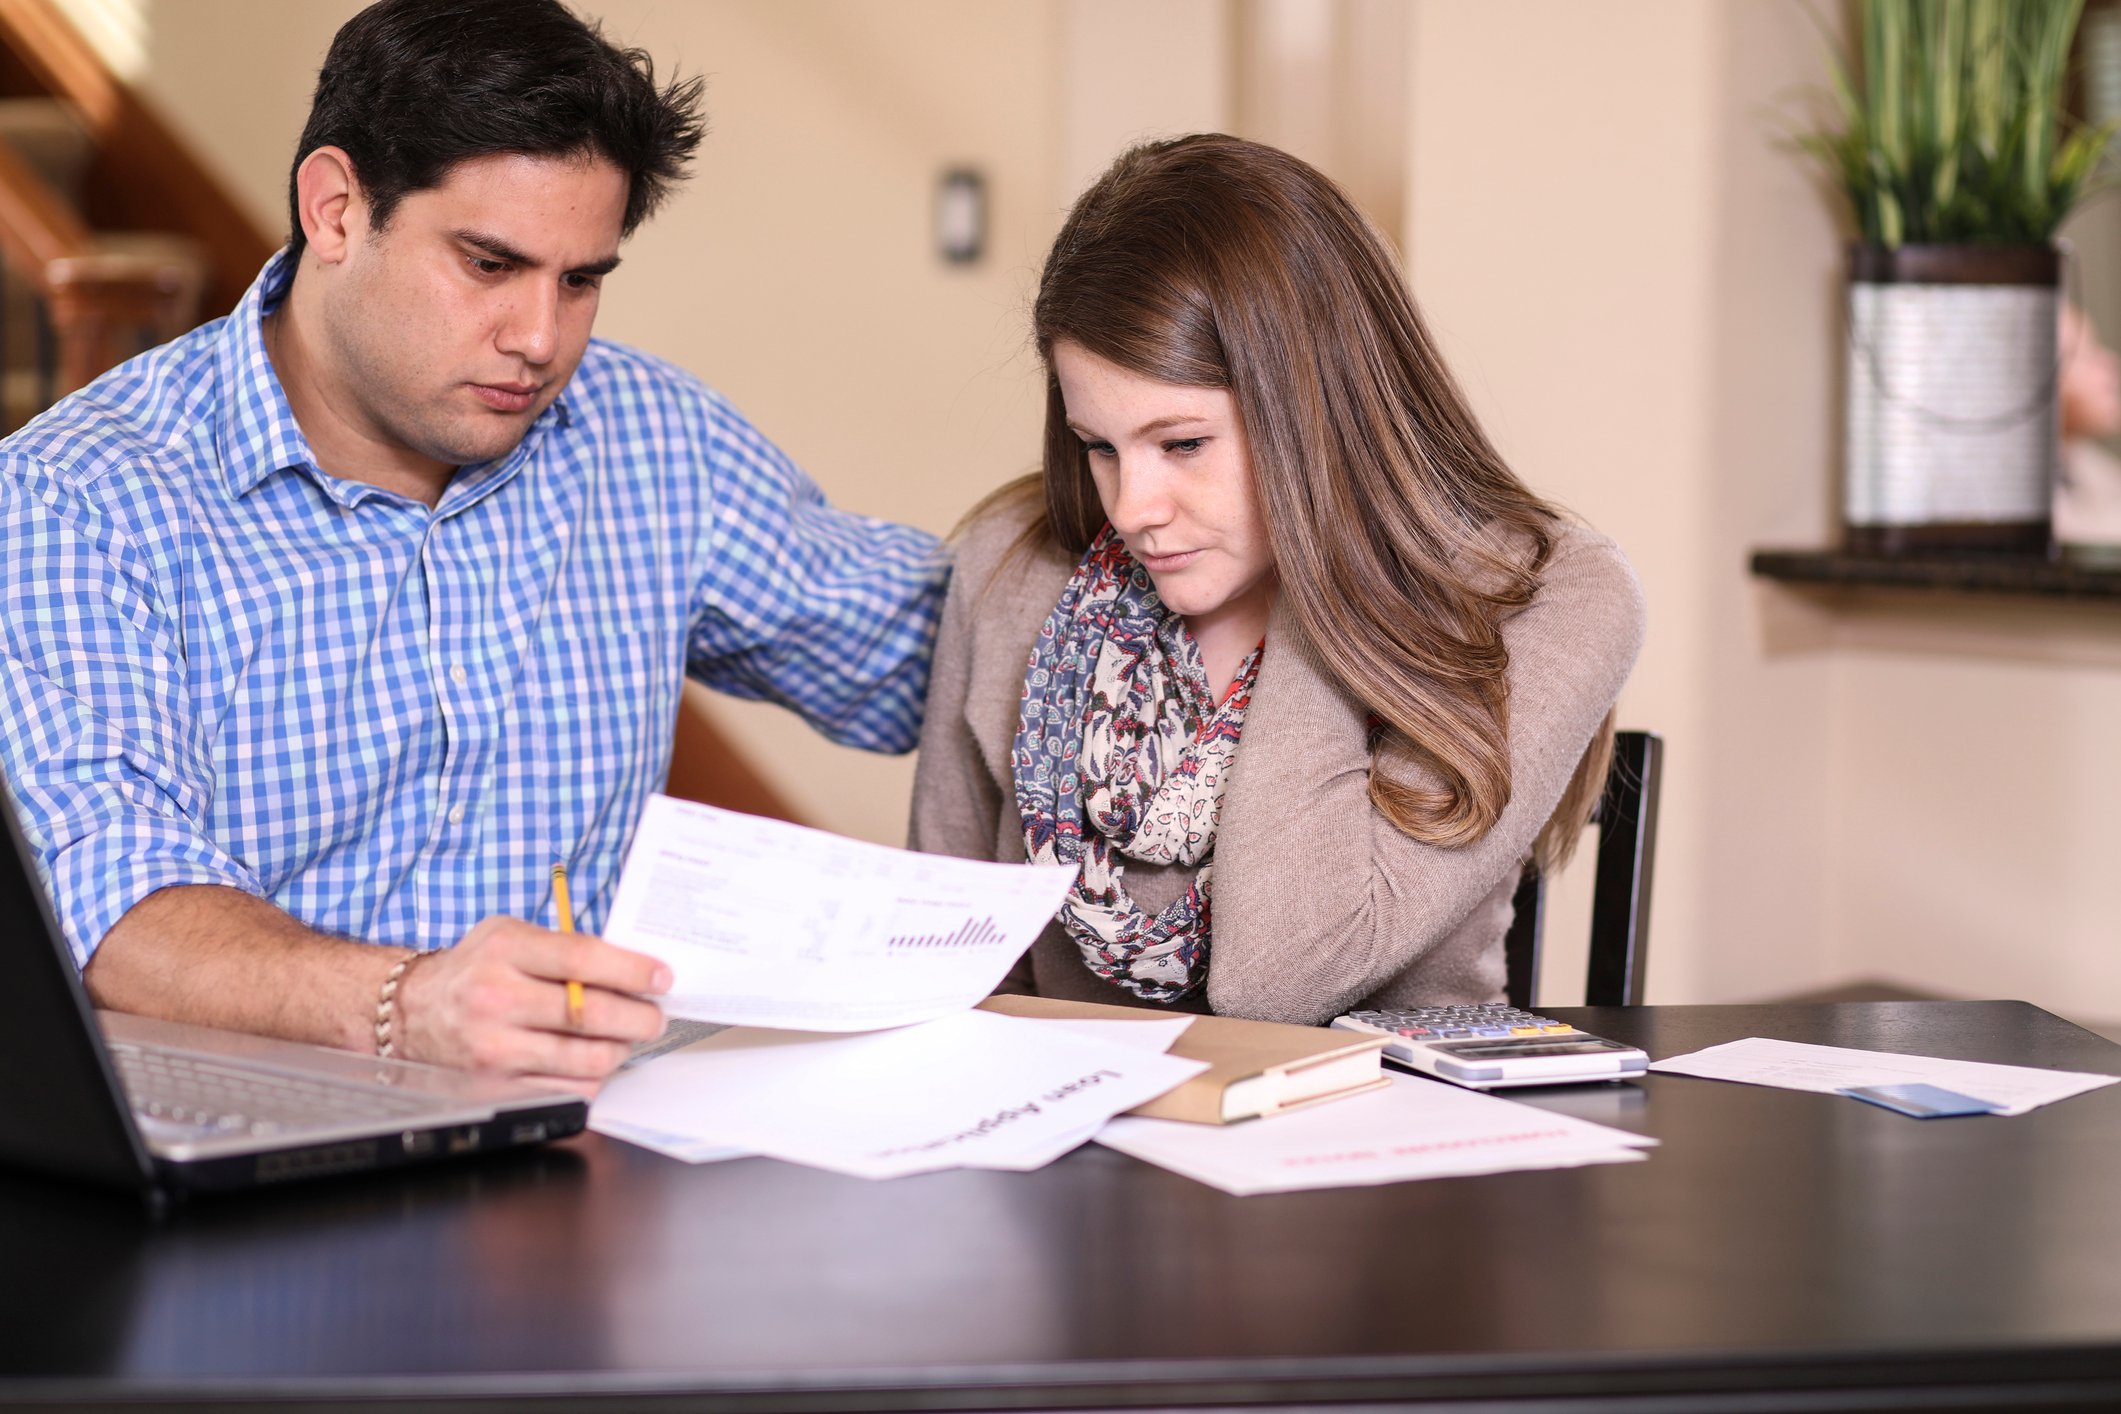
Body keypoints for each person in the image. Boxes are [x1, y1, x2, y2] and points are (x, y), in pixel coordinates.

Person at [0, 0, 945, 1093]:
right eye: (490, 264)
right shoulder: (79, 501)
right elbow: (108, 906)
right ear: (336, 210)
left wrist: (1161, 501)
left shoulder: (650, 438)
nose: (541, 339)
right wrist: (407, 1006)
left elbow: (931, 651)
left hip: (587, 1159)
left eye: (581, 279)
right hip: (253, 1169)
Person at [909, 135, 1645, 1023]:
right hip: (1071, 1136)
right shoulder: (1010, 561)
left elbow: (1283, 980)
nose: (1133, 507)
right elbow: (937, 972)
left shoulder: (1547, 593)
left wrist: (1322, 564)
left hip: (1388, 1137)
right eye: (1098, 446)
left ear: (1318, 409)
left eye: (1182, 444)